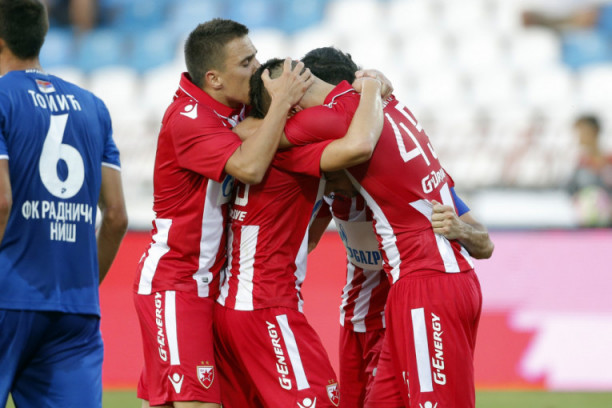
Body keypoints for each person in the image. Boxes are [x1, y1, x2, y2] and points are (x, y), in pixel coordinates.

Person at [251, 47, 494, 408]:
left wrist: (461, 229)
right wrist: (372, 86)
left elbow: (254, 139)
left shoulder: (343, 122)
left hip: (426, 281)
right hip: (393, 298)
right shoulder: (388, 109)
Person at [133, 19, 313, 408]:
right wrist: (281, 104)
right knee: (198, 403)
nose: (258, 69)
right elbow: (249, 168)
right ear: (214, 79)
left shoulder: (234, 109)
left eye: (255, 57)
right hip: (177, 282)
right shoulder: (188, 118)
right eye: (246, 63)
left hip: (211, 287)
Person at [213, 58, 385, 408]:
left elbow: (310, 234)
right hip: (265, 304)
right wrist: (373, 86)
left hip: (236, 304)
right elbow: (357, 146)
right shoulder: (293, 153)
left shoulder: (258, 141)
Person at [0, 1, 128, 407]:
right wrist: (83, 287)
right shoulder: (93, 107)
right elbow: (116, 216)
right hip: (75, 308)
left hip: (8, 296)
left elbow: (1, 201)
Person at [567, 114, 612, 226]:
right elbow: (571, 191)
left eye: (583, 131)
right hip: (587, 223)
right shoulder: (579, 164)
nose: (579, 136)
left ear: (595, 131)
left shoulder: (609, 160)